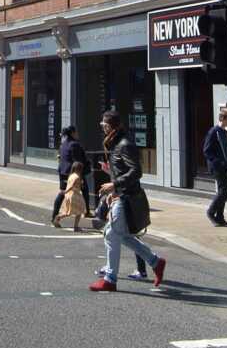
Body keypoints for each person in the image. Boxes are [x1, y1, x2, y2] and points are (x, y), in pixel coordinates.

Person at [89, 111, 165, 292]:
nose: (103, 129)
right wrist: (113, 183)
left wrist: (114, 185)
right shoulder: (115, 144)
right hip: (121, 195)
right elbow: (123, 170)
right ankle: (155, 262)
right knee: (121, 235)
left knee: (111, 234)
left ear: (111, 126)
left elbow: (137, 172)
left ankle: (110, 279)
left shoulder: (124, 145)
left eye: (105, 126)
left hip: (127, 197)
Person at [202, 107, 227, 226]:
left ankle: (220, 216)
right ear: (223, 118)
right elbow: (207, 151)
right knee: (223, 190)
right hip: (217, 166)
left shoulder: (224, 132)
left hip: (224, 166)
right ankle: (211, 212)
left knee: (224, 191)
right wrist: (218, 162)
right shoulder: (213, 132)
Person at [52, 125, 89, 226]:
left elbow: (60, 157)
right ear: (73, 133)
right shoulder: (74, 145)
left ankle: (54, 215)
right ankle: (87, 212)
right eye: (76, 132)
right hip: (73, 174)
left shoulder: (63, 144)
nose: (77, 134)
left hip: (62, 171)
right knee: (85, 190)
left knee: (62, 193)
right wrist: (80, 175)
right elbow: (77, 161)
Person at [57, 160, 89, 232]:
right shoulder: (77, 177)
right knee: (80, 210)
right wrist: (66, 191)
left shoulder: (71, 175)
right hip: (75, 195)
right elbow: (71, 186)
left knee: (69, 211)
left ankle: (58, 218)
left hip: (69, 195)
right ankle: (76, 227)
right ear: (80, 169)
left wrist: (65, 192)